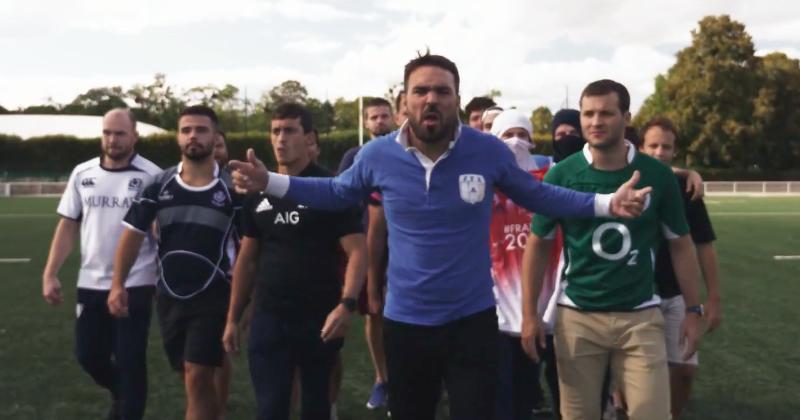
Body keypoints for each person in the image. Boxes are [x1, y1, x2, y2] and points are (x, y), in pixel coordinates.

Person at [229, 52, 650, 420]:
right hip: (406, 322)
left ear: (457, 100)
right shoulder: (378, 155)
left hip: (472, 322)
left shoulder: (486, 152)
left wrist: (606, 203)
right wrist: (271, 182)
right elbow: (337, 191)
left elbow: (539, 195)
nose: (431, 99)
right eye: (421, 90)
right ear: (405, 102)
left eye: (442, 91)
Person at [521, 79, 704, 420]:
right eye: (588, 114)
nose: (595, 121)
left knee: (652, 413)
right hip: (577, 316)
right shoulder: (562, 174)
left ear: (626, 117)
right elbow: (538, 244)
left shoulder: (657, 175)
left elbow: (681, 245)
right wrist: (530, 314)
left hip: (641, 316)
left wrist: (694, 310)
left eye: (606, 113)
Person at [222, 103, 367, 420]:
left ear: (309, 138)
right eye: (275, 131)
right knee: (271, 408)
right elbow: (247, 260)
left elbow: (358, 251)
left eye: (289, 130)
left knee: (316, 408)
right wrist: (233, 317)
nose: (281, 139)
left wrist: (347, 304)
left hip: (319, 318)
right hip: (270, 317)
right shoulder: (257, 191)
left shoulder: (331, 190)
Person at [108, 105, 241, 420]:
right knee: (191, 375)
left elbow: (250, 247)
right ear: (179, 138)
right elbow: (132, 234)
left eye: (201, 129)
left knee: (197, 372)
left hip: (214, 295)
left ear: (215, 136)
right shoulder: (159, 185)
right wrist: (117, 285)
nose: (193, 135)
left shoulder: (233, 190)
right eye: (186, 130)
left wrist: (243, 302)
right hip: (169, 296)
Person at [42, 108, 161, 420]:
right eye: (107, 132)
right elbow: (68, 225)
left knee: (129, 358)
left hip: (136, 281)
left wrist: (163, 276)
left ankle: (127, 408)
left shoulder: (152, 177)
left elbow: (159, 232)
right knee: (89, 356)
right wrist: (50, 273)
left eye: (120, 133)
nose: (112, 139)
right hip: (91, 282)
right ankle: (124, 397)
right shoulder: (83, 174)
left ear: (135, 136)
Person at [639, 116, 722, 418]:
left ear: (675, 151)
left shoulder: (686, 189)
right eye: (653, 145)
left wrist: (713, 298)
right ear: (640, 147)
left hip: (676, 294)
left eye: (667, 147)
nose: (660, 152)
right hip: (636, 296)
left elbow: (704, 245)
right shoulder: (624, 183)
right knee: (638, 375)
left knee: (685, 370)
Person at [486, 109, 553, 419]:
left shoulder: (548, 182)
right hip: (494, 312)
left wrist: (681, 172)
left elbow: (601, 163)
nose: (515, 142)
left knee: (525, 397)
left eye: (522, 135)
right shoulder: (483, 185)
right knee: (497, 400)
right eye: (507, 135)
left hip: (538, 313)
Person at [337, 97, 394, 411]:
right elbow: (341, 195)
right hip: (366, 243)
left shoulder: (405, 151)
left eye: (384, 115)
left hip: (404, 245)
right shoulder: (354, 156)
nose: (379, 121)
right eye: (373, 117)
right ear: (365, 122)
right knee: (374, 311)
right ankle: (381, 378)